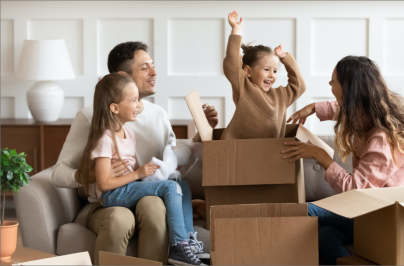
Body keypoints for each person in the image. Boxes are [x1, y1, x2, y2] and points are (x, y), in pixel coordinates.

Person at [52, 41, 218, 265]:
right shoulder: (91, 116)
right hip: (106, 201)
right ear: (123, 76)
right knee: (120, 218)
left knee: (154, 205)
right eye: (145, 67)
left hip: (149, 195)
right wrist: (91, 175)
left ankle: (183, 248)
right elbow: (58, 172)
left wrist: (201, 133)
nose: (154, 72)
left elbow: (174, 167)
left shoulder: (158, 114)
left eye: (153, 65)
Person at [281, 56, 404, 265]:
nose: (329, 85)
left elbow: (356, 191)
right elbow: (345, 109)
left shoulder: (382, 140)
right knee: (326, 236)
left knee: (308, 210)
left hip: (387, 216)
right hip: (372, 209)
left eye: (334, 82)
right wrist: (314, 107)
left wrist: (319, 154)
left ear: (350, 89)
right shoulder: (371, 114)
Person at [76, 73, 204, 265]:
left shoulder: (128, 132)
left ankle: (189, 242)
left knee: (181, 184)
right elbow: (103, 183)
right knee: (170, 187)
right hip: (112, 195)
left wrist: (156, 172)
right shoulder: (105, 139)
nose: (138, 105)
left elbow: (133, 168)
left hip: (127, 189)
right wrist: (138, 174)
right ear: (115, 107)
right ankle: (178, 246)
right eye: (134, 100)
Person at [221, 11, 306, 140]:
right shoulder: (244, 87)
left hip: (268, 153)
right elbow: (232, 63)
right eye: (266, 69)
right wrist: (236, 29)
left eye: (275, 71)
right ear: (248, 71)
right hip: (237, 150)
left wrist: (285, 58)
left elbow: (299, 86)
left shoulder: (281, 96)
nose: (271, 75)